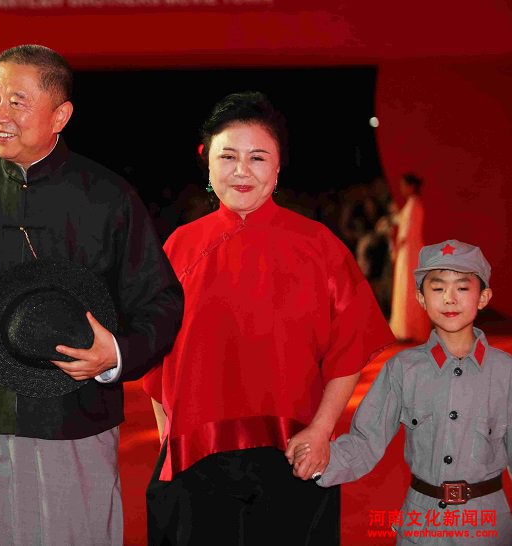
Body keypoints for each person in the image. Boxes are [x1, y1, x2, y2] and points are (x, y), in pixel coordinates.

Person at [0, 44, 183, 544]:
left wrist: (115, 355)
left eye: (17, 101)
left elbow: (160, 301)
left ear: (60, 116)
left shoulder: (108, 198)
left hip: (75, 422)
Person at [142, 91, 394, 545]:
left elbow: (350, 345)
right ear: (208, 164)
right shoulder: (179, 247)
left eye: (258, 157)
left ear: (278, 169)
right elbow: (156, 354)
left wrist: (321, 431)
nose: (242, 170)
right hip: (195, 458)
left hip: (294, 453)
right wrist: (168, 439)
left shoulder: (318, 246)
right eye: (228, 157)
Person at [296, 239, 512, 545]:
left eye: (463, 288)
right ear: (421, 298)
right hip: (421, 523)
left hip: (487, 524)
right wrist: (319, 462)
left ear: (483, 296)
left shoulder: (505, 372)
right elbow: (365, 440)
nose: (449, 299)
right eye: (437, 288)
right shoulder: (403, 369)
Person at [389, 172, 428, 342]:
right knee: (406, 287)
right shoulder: (411, 205)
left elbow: (406, 233)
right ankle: (406, 328)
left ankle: (409, 329)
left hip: (409, 251)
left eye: (404, 185)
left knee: (408, 286)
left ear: (411, 186)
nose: (402, 189)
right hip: (408, 250)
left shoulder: (414, 205)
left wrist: (396, 247)